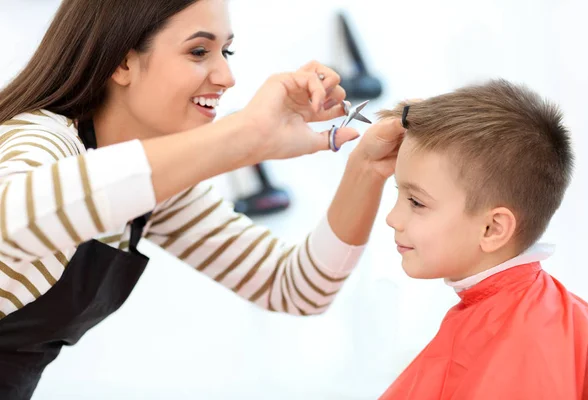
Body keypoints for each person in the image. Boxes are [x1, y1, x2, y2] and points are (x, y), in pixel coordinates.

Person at [0, 0, 405, 398]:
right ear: (122, 63)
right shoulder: (39, 137)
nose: (227, 77)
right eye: (199, 51)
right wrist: (243, 137)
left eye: (225, 51)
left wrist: (367, 168)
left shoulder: (157, 191)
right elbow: (15, 219)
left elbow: (296, 287)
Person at [377, 80, 588, 399]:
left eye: (416, 202)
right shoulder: (553, 315)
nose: (392, 219)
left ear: (493, 229)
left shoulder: (522, 349)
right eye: (399, 193)